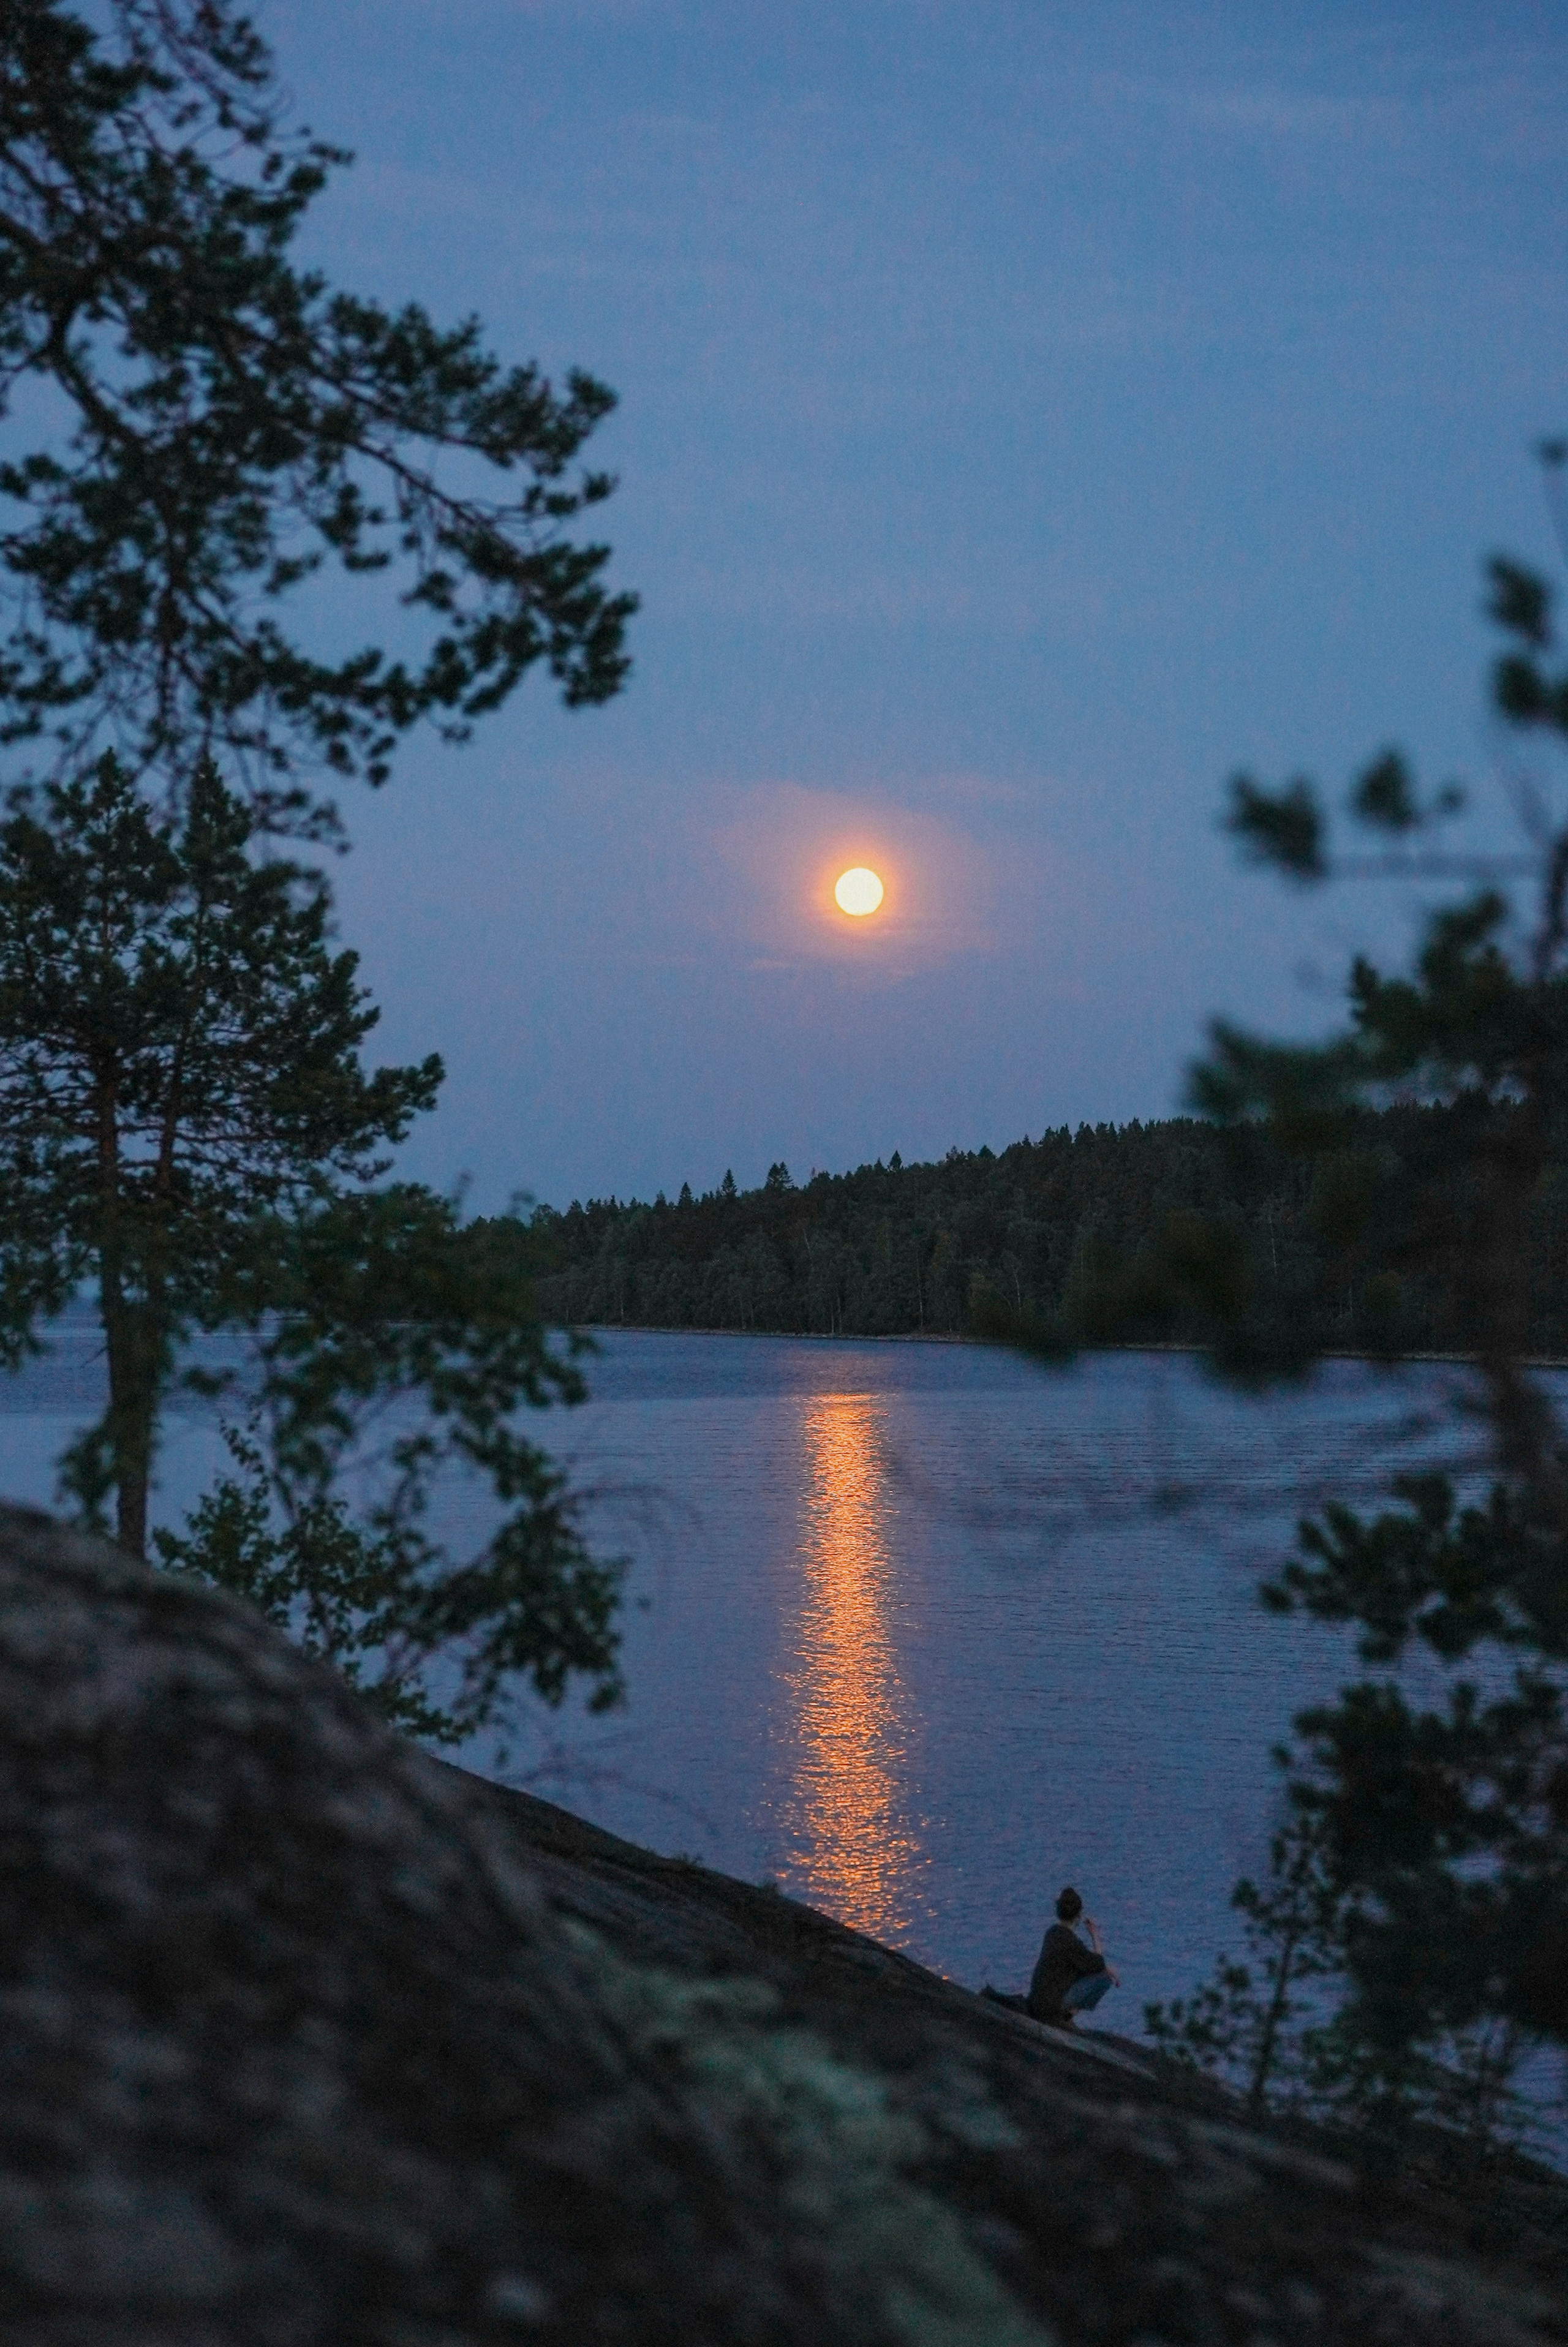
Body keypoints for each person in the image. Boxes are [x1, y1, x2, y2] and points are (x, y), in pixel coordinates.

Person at [1027, 1886, 1119, 2027]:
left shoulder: (1052, 1933)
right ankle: (1067, 2017)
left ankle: (1066, 2016)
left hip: (1036, 2001)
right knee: (1106, 1979)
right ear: (1078, 1916)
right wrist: (1094, 1935)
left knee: (1095, 1972)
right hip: (1051, 2006)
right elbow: (1098, 1964)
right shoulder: (1071, 1942)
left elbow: (1089, 1964)